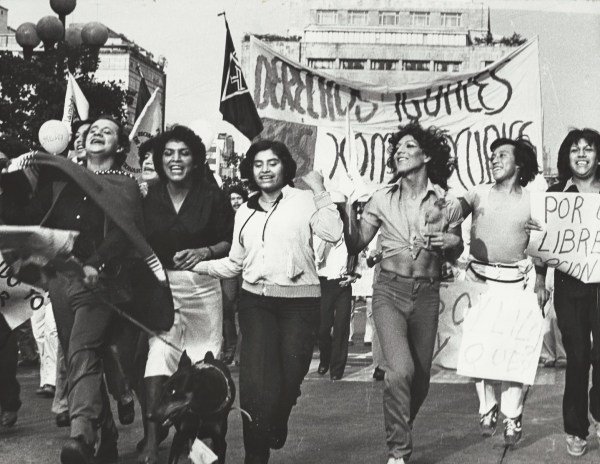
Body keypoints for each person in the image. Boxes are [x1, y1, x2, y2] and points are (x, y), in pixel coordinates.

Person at [2, 116, 141, 464]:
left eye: (107, 131)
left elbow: (124, 233)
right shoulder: (65, 180)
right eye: (94, 129)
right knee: (82, 356)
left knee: (81, 350)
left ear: (120, 146)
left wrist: (96, 262)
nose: (97, 132)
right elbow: (37, 218)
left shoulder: (126, 185)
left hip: (101, 282)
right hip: (61, 282)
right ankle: (106, 434)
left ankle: (80, 435)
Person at [193, 139, 342, 464]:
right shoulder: (245, 210)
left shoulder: (304, 201)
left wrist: (319, 189)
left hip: (299, 305)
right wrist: (198, 264)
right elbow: (235, 263)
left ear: (285, 166)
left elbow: (333, 232)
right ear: (250, 170)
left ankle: (283, 411)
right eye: (258, 163)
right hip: (256, 303)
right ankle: (254, 457)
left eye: (272, 162)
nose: (265, 169)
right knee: (255, 385)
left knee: (291, 375)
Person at [341, 122, 463, 464]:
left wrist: (452, 242)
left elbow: (456, 249)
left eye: (408, 147)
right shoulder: (380, 198)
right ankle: (398, 453)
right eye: (396, 149)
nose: (399, 152)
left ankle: (398, 426)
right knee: (400, 372)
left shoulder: (446, 203)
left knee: (420, 381)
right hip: (388, 293)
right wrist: (349, 211)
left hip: (427, 294)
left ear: (426, 155)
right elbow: (356, 243)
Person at [138, 125, 234, 464]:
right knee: (158, 356)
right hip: (162, 291)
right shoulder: (146, 193)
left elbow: (228, 241)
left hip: (203, 289)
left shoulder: (212, 195)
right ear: (159, 159)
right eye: (168, 153)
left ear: (194, 159)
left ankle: (200, 449)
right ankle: (151, 442)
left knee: (204, 365)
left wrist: (205, 252)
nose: (175, 159)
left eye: (183, 153)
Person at [459, 137, 541, 447]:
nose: (494, 159)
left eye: (501, 155)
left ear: (518, 163)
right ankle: (487, 407)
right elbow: (453, 212)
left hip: (516, 285)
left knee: (513, 353)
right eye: (491, 155)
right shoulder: (477, 193)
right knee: (478, 350)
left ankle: (512, 414)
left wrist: (542, 281)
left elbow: (545, 243)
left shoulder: (533, 200)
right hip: (479, 282)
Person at [531, 128, 600, 458]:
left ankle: (599, 412)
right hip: (569, 287)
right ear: (566, 156)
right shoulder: (555, 193)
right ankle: (576, 429)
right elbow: (544, 244)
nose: (582, 154)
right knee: (577, 358)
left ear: (598, 156)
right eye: (575, 149)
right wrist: (539, 279)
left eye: (588, 149)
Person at [314, 222, 357, 381]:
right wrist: (326, 240)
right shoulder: (319, 236)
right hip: (324, 285)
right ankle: (325, 358)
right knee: (323, 329)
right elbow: (316, 259)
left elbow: (356, 259)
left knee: (341, 327)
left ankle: (337, 368)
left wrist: (353, 275)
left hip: (342, 285)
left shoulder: (349, 238)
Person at [220, 184, 248, 365]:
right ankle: (230, 346)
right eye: (232, 198)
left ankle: (240, 351)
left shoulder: (249, 214)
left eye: (238, 198)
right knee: (226, 306)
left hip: (246, 267)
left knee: (246, 308)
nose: (235, 201)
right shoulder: (224, 218)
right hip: (229, 266)